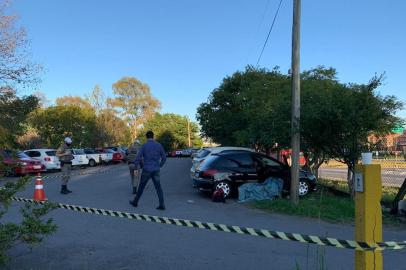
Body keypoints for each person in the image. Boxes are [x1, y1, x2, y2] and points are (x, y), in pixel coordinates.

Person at [129, 131, 167, 210]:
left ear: (146, 137)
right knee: (158, 187)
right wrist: (160, 165)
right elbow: (164, 157)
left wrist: (136, 166)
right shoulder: (158, 145)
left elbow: (138, 158)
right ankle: (162, 204)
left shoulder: (144, 146)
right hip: (156, 169)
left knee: (141, 187)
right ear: (153, 136)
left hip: (146, 169)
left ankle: (135, 202)